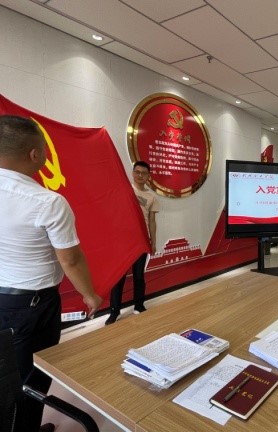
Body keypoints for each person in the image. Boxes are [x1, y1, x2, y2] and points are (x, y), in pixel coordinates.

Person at [0, 115, 102, 432]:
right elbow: (70, 259)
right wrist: (89, 294)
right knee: (29, 379)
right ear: (35, 154)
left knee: (4, 376)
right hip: (30, 307)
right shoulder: (47, 201)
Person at [106, 161, 159, 325]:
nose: (140, 175)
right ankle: (114, 311)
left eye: (144, 173)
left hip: (141, 240)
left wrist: (153, 242)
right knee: (118, 277)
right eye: (137, 172)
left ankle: (139, 305)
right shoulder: (124, 190)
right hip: (122, 240)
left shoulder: (152, 197)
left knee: (139, 275)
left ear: (148, 176)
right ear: (133, 173)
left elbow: (152, 221)